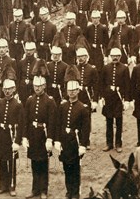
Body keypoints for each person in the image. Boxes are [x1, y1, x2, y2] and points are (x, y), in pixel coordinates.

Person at [55, 66, 91, 199]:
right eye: (69, 90)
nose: (71, 93)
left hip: (75, 142)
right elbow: (59, 124)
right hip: (65, 142)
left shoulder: (83, 108)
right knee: (66, 168)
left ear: (78, 91)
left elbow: (86, 129)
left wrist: (83, 144)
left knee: (75, 169)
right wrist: (57, 140)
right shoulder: (63, 106)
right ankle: (69, 191)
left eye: (74, 90)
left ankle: (75, 192)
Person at [22, 65, 56, 199]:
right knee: (34, 163)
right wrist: (25, 137)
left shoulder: (50, 101)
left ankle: (43, 190)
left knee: (43, 163)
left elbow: (53, 122)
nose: (37, 88)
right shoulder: (30, 100)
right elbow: (26, 120)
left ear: (44, 86)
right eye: (35, 86)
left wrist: (50, 139)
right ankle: (35, 189)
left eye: (40, 86)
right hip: (33, 135)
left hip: (44, 135)